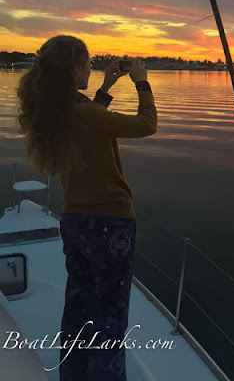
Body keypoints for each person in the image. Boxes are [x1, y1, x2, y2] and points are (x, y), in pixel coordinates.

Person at [16, 35, 157, 380]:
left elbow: (91, 119)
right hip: (109, 226)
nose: (92, 68)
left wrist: (107, 85)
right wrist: (142, 82)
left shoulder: (61, 110)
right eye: (89, 63)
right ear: (76, 68)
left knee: (79, 308)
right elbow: (146, 124)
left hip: (76, 223)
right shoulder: (82, 112)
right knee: (110, 316)